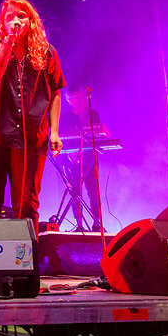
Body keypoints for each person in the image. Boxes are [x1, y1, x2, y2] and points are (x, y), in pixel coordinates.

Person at [0, 0, 65, 228]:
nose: (15, 21)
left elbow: (55, 92)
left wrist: (55, 131)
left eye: (21, 16)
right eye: (9, 17)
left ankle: (26, 251)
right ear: (2, 23)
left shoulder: (47, 53)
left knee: (26, 206)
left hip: (30, 137)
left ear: (31, 21)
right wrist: (8, 44)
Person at [60, 84, 109, 231]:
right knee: (75, 191)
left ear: (82, 98)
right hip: (72, 158)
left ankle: (97, 223)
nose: (73, 101)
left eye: (76, 98)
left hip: (89, 156)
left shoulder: (92, 114)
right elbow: (62, 138)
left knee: (93, 190)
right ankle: (79, 224)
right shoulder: (65, 117)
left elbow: (98, 135)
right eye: (70, 99)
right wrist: (68, 154)